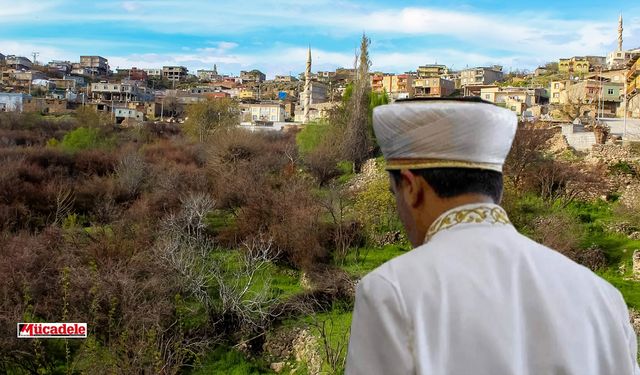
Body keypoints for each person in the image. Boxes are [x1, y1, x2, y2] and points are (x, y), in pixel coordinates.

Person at [345, 98, 639, 375]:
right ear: (496, 185)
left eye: (393, 193)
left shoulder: (391, 292)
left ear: (411, 186)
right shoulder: (603, 299)